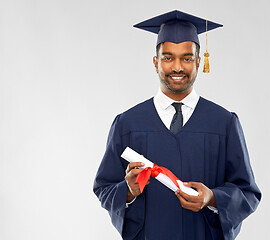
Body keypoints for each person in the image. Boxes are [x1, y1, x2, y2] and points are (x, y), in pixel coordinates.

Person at [93, 10, 261, 240]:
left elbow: (248, 193)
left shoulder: (224, 123)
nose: (178, 67)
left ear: (199, 62)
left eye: (187, 58)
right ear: (156, 62)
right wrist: (129, 191)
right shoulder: (128, 123)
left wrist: (211, 197)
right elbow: (104, 188)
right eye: (168, 57)